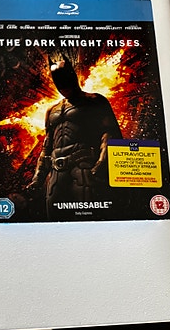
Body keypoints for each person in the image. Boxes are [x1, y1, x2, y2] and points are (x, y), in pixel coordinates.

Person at [26, 55, 123, 220]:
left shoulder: (94, 101)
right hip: (57, 170)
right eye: (57, 80)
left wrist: (102, 163)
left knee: (88, 215)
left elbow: (109, 134)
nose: (62, 85)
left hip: (84, 165)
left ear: (73, 76)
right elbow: (47, 146)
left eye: (64, 78)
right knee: (54, 216)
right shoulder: (52, 110)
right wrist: (38, 178)